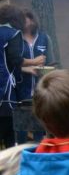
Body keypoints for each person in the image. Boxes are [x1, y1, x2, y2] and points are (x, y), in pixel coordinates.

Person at [13, 10, 55, 143]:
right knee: (21, 121)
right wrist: (26, 69)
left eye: (28, 19)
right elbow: (11, 63)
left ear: (33, 20)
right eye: (23, 19)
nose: (26, 22)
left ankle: (38, 147)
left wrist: (46, 71)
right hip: (19, 86)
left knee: (39, 120)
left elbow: (51, 62)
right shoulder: (15, 38)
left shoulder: (44, 37)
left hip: (40, 86)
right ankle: (20, 148)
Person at [0, 4, 25, 148]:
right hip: (5, 89)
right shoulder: (13, 33)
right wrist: (33, 62)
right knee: (8, 129)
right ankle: (9, 165)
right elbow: (15, 58)